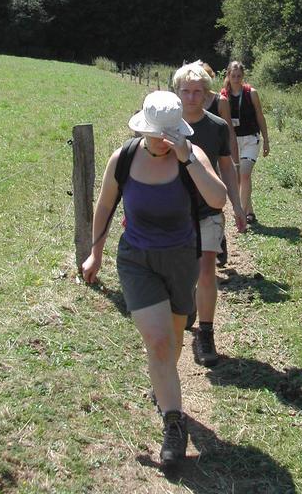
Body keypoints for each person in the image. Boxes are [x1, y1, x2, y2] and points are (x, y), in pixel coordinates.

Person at [81, 91, 226, 469]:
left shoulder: (191, 157)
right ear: (142, 129)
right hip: (136, 260)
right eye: (155, 134)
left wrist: (187, 158)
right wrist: (95, 252)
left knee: (174, 340)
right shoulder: (125, 158)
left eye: (168, 135)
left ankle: (164, 384)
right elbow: (105, 204)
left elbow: (217, 199)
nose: (161, 140)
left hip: (180, 259)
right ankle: (174, 426)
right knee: (159, 342)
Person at [172, 62, 247, 367]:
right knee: (183, 272)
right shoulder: (167, 126)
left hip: (208, 209)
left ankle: (206, 334)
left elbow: (226, 167)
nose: (191, 98)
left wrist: (237, 205)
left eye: (197, 92)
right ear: (176, 93)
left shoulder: (217, 126)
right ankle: (187, 305)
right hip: (174, 212)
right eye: (186, 92)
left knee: (206, 271)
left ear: (207, 94)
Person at [198, 60, 239, 267]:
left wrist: (234, 159)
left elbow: (229, 132)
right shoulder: (184, 102)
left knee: (213, 204)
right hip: (191, 163)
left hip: (214, 162)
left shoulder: (220, 102)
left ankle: (219, 241)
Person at [220, 61, 270, 224]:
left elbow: (260, 116)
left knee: (245, 174)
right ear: (228, 75)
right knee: (238, 179)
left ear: (243, 76)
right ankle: (250, 212)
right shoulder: (223, 95)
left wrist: (266, 140)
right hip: (232, 141)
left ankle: (239, 213)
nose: (236, 79)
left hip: (250, 139)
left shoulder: (251, 93)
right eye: (233, 76)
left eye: (239, 76)